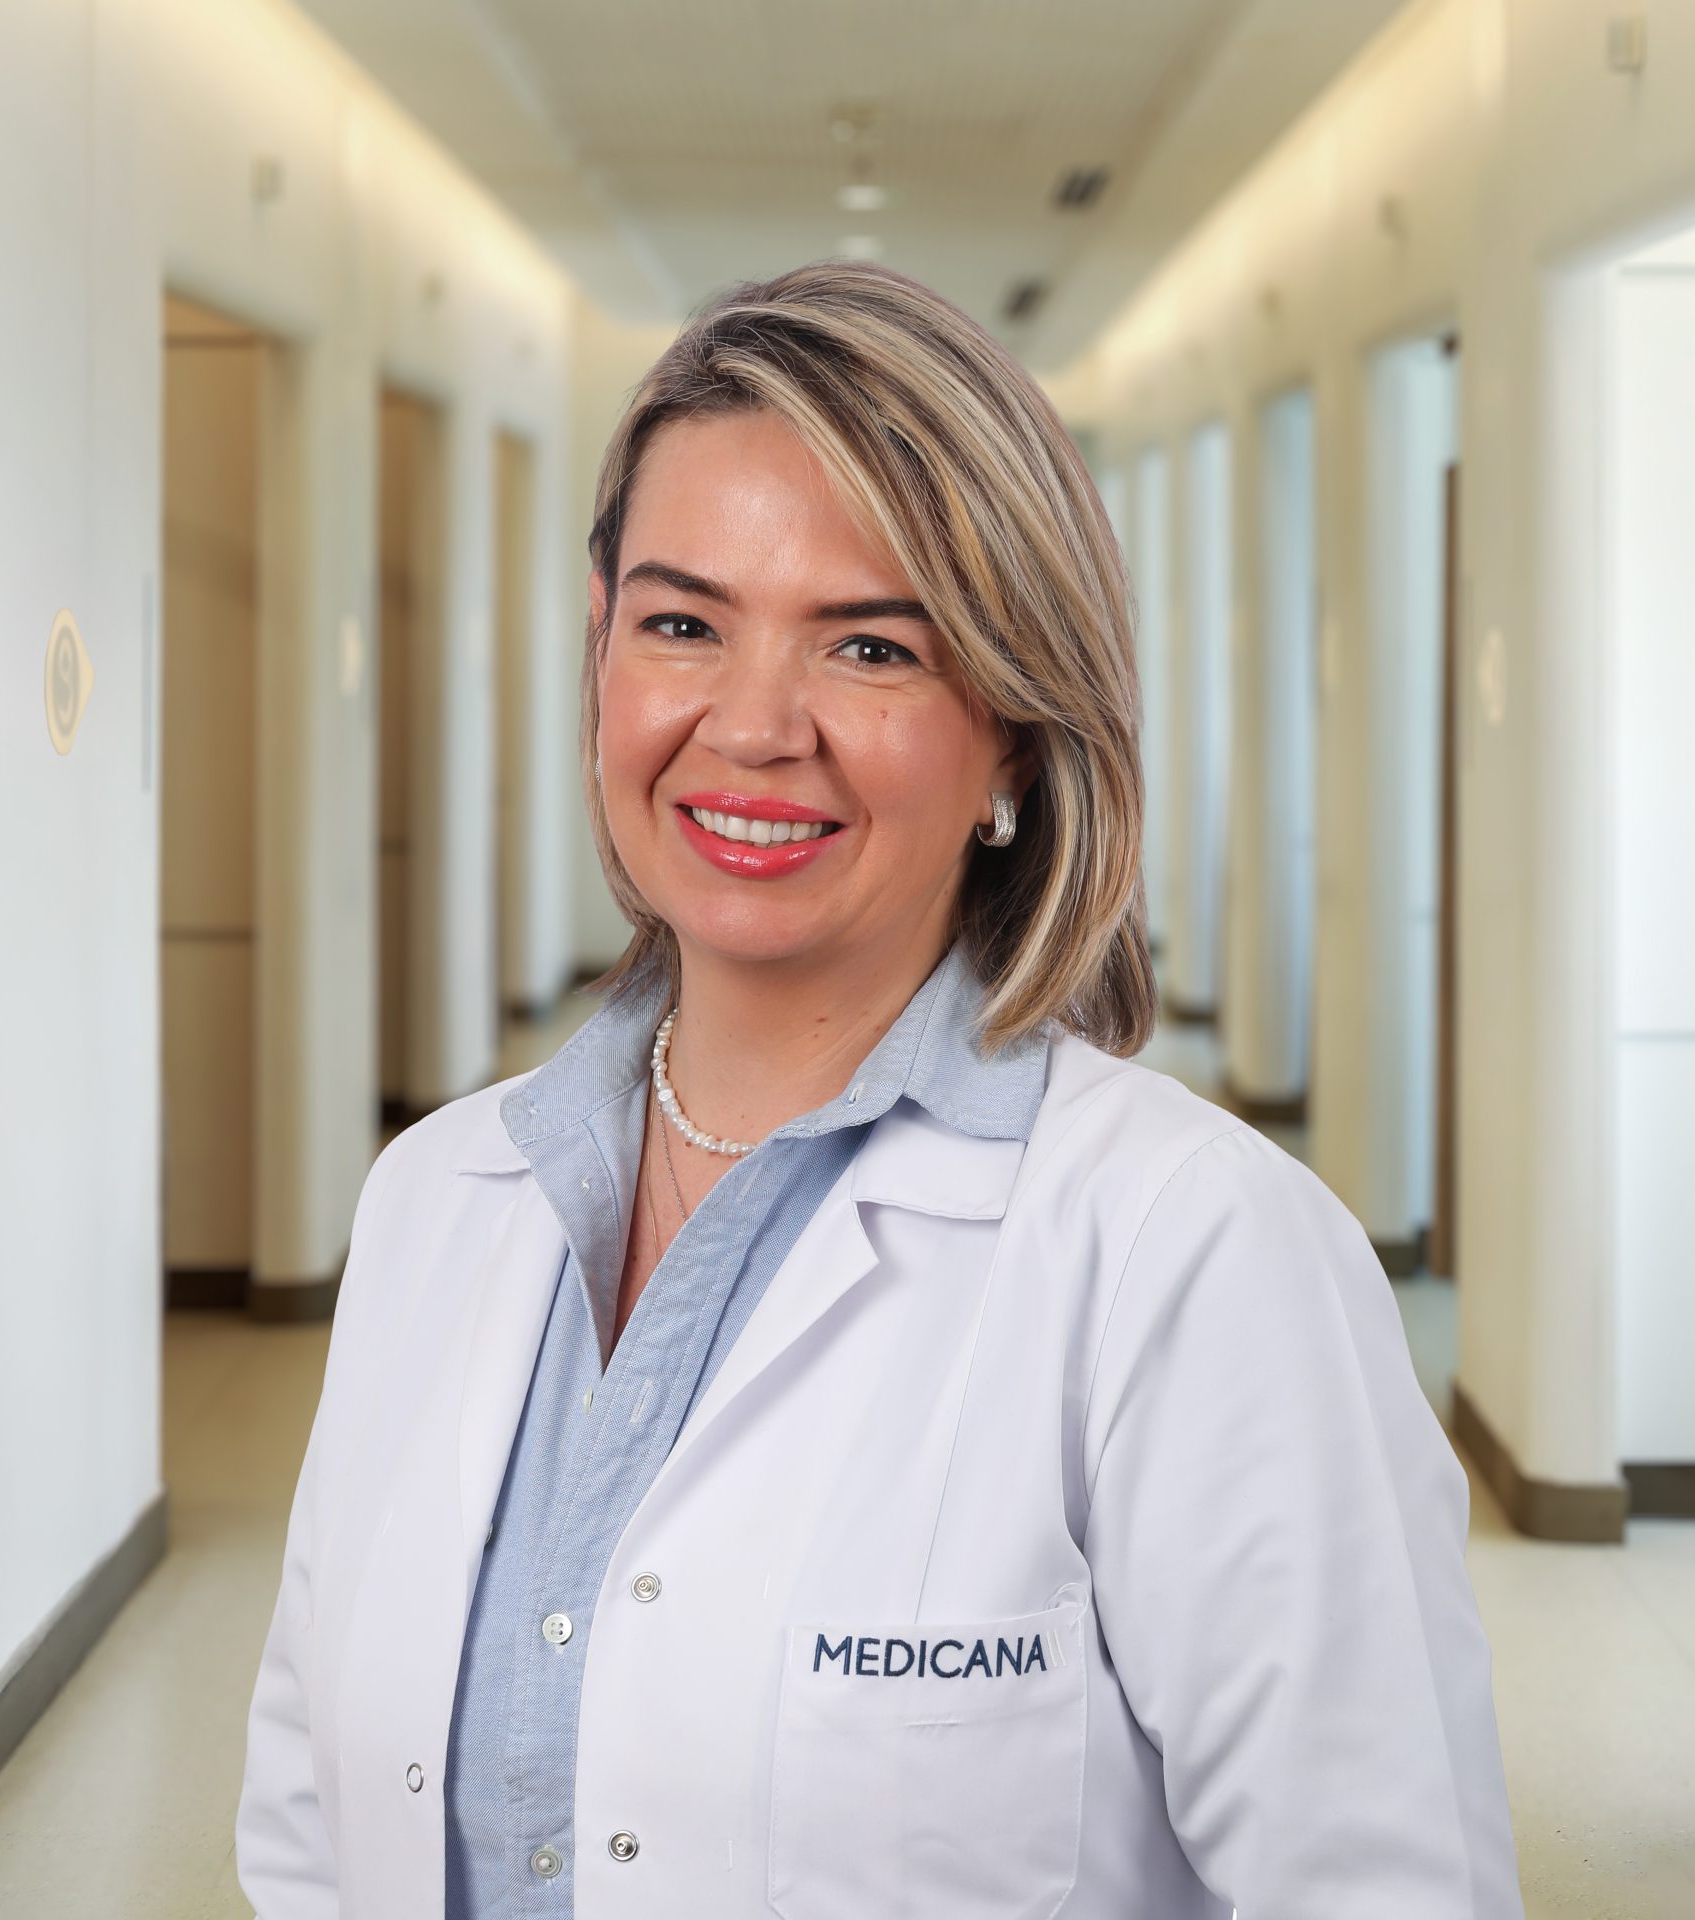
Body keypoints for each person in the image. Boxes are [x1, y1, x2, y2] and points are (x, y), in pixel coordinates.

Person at [237, 259, 1521, 1919]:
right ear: (601, 649)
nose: (755, 727)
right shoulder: (438, 1200)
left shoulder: (1194, 1254)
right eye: (683, 624)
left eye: (869, 646)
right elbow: (310, 1832)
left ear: (1014, 734)